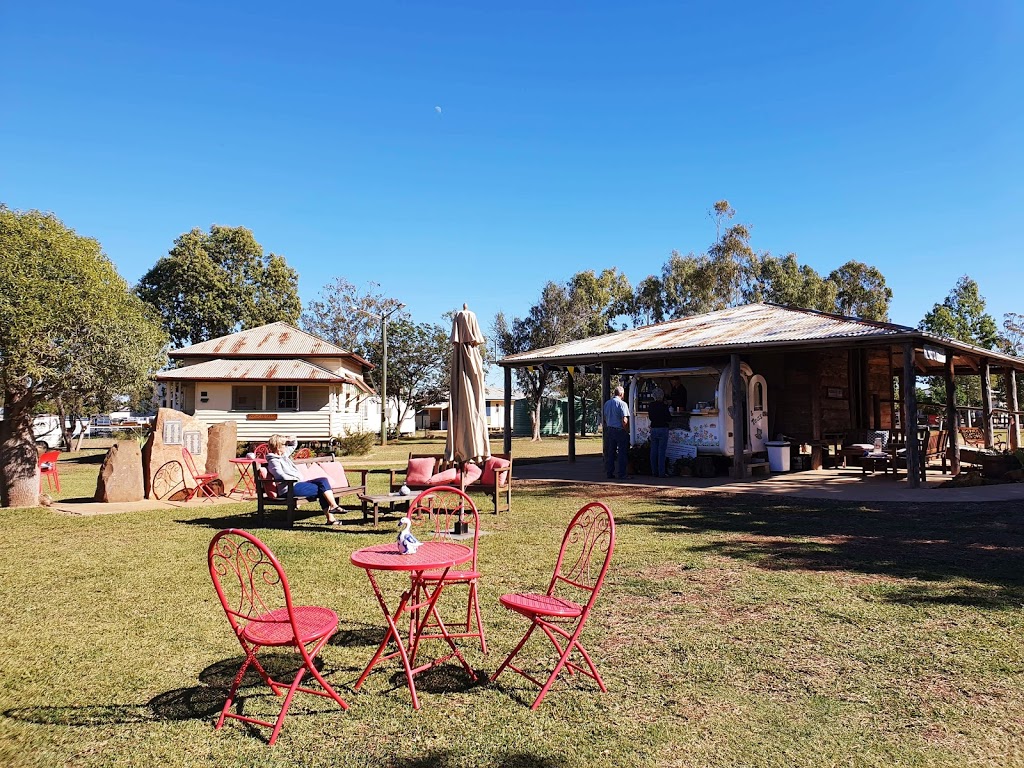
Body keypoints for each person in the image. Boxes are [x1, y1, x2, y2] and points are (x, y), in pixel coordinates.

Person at [265, 433, 345, 525]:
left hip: (297, 484)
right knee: (322, 490)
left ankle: (333, 507)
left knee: (323, 481)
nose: (286, 446)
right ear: (278, 447)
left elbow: (294, 444)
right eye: (284, 444)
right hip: (289, 488)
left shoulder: (283, 456)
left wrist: (288, 439)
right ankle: (331, 515)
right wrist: (295, 478)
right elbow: (280, 476)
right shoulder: (273, 461)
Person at [603, 385, 630, 480]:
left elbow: (605, 418)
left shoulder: (607, 403)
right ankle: (622, 473)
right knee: (622, 452)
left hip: (610, 429)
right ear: (621, 394)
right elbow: (625, 420)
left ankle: (609, 472)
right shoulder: (623, 404)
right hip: (620, 430)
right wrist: (626, 430)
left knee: (611, 452)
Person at [647, 387, 671, 478]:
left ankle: (654, 471)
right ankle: (661, 472)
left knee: (653, 451)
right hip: (663, 428)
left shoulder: (651, 405)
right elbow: (669, 418)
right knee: (661, 451)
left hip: (654, 428)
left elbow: (650, 417)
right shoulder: (664, 406)